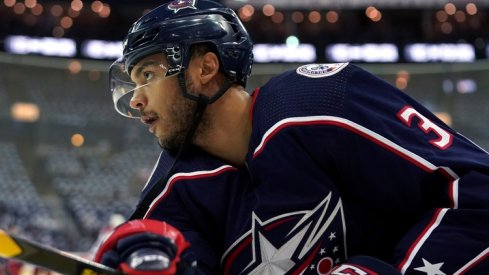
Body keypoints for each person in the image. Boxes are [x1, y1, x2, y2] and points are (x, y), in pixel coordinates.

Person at [94, 0, 489, 274]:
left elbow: (476, 191)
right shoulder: (177, 188)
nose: (137, 100)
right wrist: (150, 254)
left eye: (147, 75)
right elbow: (177, 253)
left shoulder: (317, 101)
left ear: (205, 68)